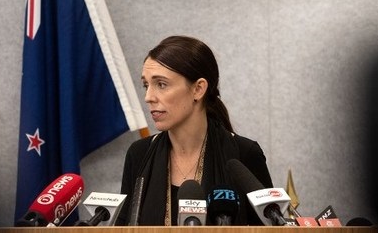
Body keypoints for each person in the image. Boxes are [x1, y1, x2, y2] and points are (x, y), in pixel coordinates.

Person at [115, 35, 273, 226]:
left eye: (161, 84)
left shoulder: (244, 154)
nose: (149, 97)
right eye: (146, 85)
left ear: (198, 89)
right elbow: (123, 227)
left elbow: (269, 227)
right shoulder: (139, 154)